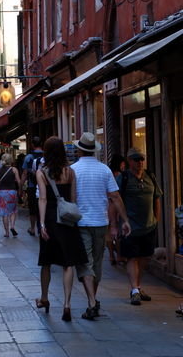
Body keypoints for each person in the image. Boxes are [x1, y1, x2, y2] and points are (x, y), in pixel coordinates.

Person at [71, 132, 131, 320]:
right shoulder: (104, 170)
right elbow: (115, 197)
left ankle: (91, 301)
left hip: (80, 222)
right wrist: (125, 220)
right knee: (96, 263)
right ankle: (93, 299)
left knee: (85, 263)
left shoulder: (73, 170)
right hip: (100, 222)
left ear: (80, 150)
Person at [36, 136, 88, 322]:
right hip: (66, 219)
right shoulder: (70, 172)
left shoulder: (42, 172)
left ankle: (44, 298)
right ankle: (67, 304)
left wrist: (42, 225)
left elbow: (42, 198)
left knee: (47, 262)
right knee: (68, 263)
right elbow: (73, 199)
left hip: (50, 218)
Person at [113, 147, 162, 306]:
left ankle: (138, 287)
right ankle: (134, 290)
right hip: (130, 226)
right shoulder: (124, 178)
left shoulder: (150, 177)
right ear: (129, 161)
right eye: (136, 159)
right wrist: (114, 225)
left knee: (145, 257)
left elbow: (156, 199)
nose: (140, 162)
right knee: (132, 257)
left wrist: (156, 220)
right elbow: (114, 201)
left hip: (148, 226)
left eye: (141, 158)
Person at [106, 154, 127, 265]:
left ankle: (110, 256)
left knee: (109, 232)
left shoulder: (108, 172)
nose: (124, 165)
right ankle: (119, 255)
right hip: (115, 205)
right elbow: (117, 195)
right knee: (117, 232)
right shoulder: (119, 176)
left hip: (107, 205)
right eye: (123, 163)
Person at [0, 153, 22, 237]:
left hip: (2, 192)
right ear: (11, 160)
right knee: (13, 211)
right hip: (12, 192)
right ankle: (12, 226)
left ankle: (6, 232)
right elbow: (19, 181)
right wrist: (20, 190)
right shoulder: (14, 169)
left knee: (4, 213)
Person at [21, 137, 43, 236]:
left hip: (32, 185)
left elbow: (24, 173)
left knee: (33, 208)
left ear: (32, 145)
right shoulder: (46, 155)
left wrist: (20, 186)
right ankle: (42, 226)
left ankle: (33, 228)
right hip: (44, 185)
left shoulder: (29, 157)